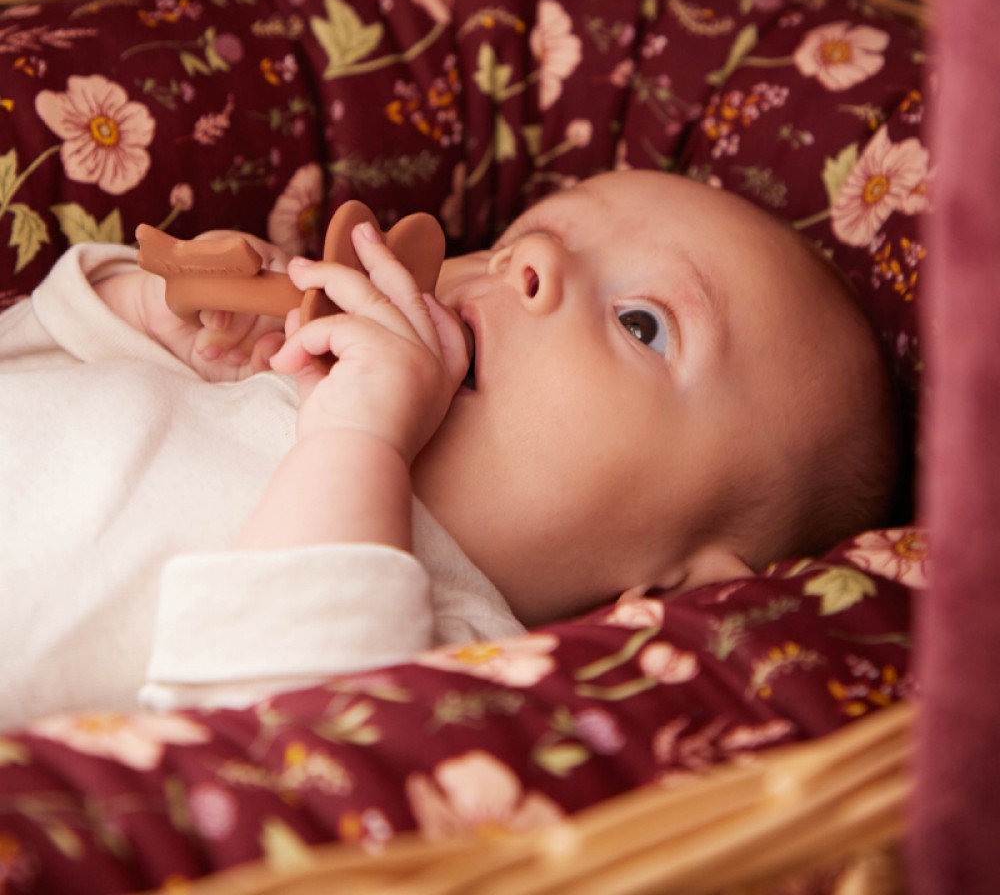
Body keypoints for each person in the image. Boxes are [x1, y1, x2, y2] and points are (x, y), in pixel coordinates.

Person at [0, 169, 898, 729]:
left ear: (679, 590)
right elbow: (28, 346)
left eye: (641, 322)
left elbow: (270, 752)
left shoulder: (462, 655)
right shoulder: (263, 379)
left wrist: (359, 437)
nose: (530, 258)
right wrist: (152, 313)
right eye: (524, 234)